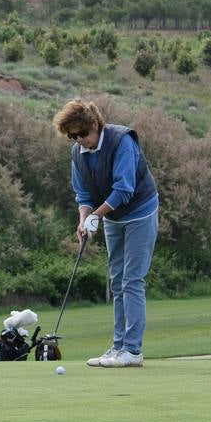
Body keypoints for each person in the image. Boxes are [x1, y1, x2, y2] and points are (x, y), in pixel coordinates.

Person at [52, 99, 160, 369]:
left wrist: (96, 216)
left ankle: (132, 351)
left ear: (95, 125)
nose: (79, 140)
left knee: (132, 279)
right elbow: (83, 193)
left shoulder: (121, 141)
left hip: (140, 211)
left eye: (82, 134)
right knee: (117, 279)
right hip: (113, 216)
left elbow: (124, 189)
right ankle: (118, 346)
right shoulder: (78, 153)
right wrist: (84, 219)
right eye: (72, 136)